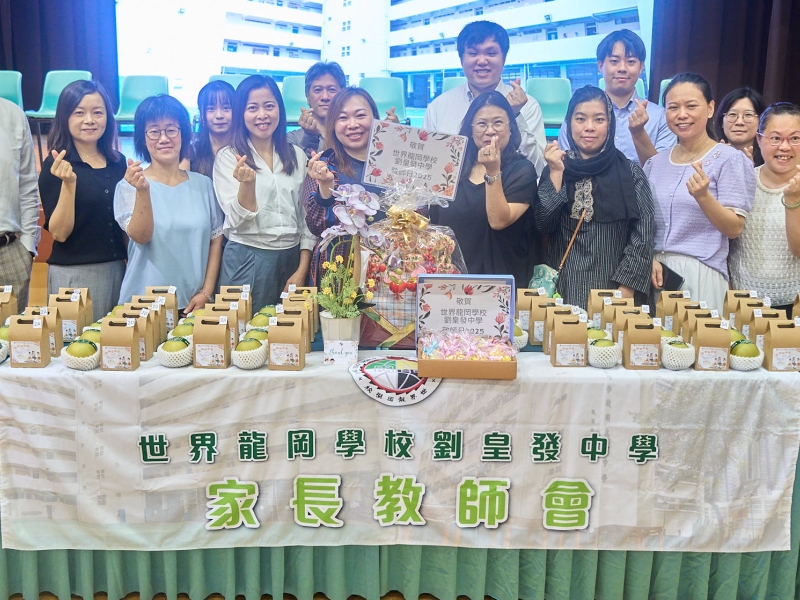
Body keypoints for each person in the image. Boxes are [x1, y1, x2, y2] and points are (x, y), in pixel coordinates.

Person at [645, 73, 756, 312]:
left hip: (700, 272)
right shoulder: (655, 163)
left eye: (691, 106)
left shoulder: (729, 159)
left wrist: (704, 197)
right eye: (673, 107)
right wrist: (647, 257)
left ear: (710, 108)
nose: (682, 114)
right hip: (654, 272)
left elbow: (734, 228)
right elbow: (642, 223)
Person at [537, 86, 654, 309]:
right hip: (563, 289)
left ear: (610, 124)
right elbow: (543, 224)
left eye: (599, 119)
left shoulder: (630, 172)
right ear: (569, 123)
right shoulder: (556, 167)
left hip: (613, 290)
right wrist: (556, 173)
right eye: (580, 119)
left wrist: (627, 288)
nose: (589, 127)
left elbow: (643, 233)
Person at [114, 94, 224, 314]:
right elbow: (140, 236)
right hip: (143, 306)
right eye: (154, 131)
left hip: (192, 303)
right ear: (143, 138)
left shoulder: (203, 184)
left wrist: (206, 292)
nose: (163, 138)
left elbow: (216, 241)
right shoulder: (129, 186)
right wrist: (143, 191)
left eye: (171, 130)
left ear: (183, 134)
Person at [214, 75, 316, 310]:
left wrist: (302, 269)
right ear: (241, 113)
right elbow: (237, 221)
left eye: (269, 106)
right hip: (247, 257)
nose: (262, 115)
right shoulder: (229, 157)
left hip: (292, 257)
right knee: (243, 329)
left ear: (279, 109)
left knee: (292, 329)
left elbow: (306, 220)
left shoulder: (296, 155)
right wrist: (247, 185)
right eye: (252, 108)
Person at [38, 80, 127, 321]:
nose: (90, 120)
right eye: (79, 113)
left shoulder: (118, 162)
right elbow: (59, 233)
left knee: (117, 341)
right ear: (65, 117)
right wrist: (69, 184)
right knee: (78, 344)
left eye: (98, 112)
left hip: (117, 269)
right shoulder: (56, 165)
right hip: (73, 274)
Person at [430, 90, 537, 285]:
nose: (490, 131)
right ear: (470, 130)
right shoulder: (451, 169)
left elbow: (498, 221)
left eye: (498, 122)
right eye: (481, 124)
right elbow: (435, 223)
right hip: (450, 282)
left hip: (499, 284)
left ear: (511, 128)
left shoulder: (523, 170)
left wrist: (492, 170)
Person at [422, 21, 546, 175]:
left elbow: (539, 169)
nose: (481, 61)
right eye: (473, 53)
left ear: (504, 58)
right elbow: (426, 166)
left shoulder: (527, 105)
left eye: (491, 53)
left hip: (510, 190)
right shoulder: (438, 107)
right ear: (461, 59)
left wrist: (514, 116)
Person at [304, 87, 386, 285]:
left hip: (389, 272)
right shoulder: (323, 165)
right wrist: (326, 187)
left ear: (376, 118)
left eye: (360, 115)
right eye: (342, 118)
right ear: (332, 125)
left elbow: (419, 217)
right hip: (338, 276)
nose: (353, 125)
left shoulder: (395, 165)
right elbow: (316, 226)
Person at [558, 29, 675, 166]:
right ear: (600, 66)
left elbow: (661, 171)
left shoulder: (660, 117)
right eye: (614, 61)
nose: (622, 68)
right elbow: (566, 164)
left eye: (631, 61)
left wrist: (639, 133)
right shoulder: (578, 114)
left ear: (641, 67)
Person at [729, 102, 800, 317]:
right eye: (775, 138)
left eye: (795, 138)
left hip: (794, 306)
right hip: (741, 304)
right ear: (759, 140)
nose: (785, 147)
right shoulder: (744, 181)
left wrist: (793, 201)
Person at [0, 97, 39, 310]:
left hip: (9, 252)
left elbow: (27, 186)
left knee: (11, 332)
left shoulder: (13, 115)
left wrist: (27, 246)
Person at [287, 61, 346, 157]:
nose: (325, 97)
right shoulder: (292, 139)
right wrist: (310, 137)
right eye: (318, 90)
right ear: (307, 96)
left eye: (332, 90)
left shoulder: (351, 133)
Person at [190, 80, 235, 178]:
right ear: (201, 113)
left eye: (226, 108)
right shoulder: (193, 150)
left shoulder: (246, 148)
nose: (219, 115)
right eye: (211, 109)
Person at [714, 87, 766, 166]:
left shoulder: (769, 160)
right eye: (732, 114)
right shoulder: (707, 156)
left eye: (748, 115)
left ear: (761, 121)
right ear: (722, 121)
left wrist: (751, 171)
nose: (739, 122)